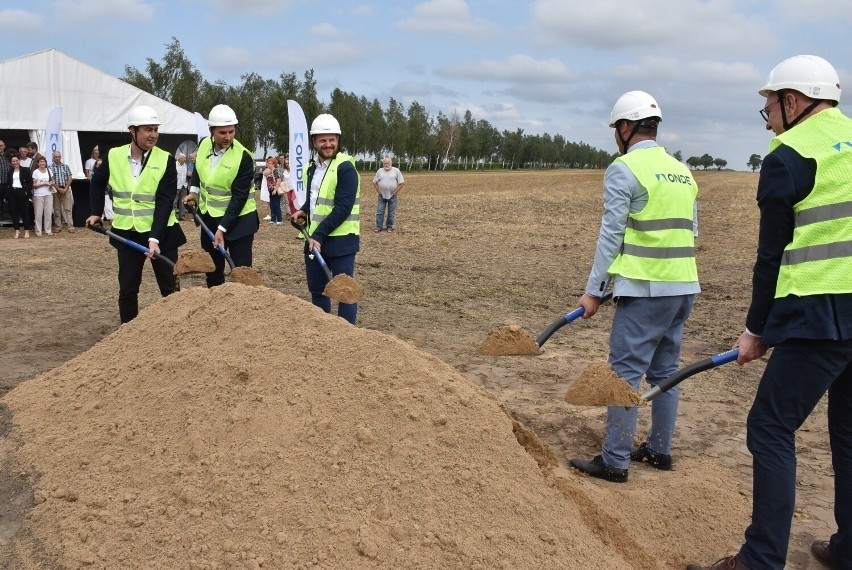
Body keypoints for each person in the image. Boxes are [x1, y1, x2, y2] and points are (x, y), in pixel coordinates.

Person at [688, 55, 852, 570]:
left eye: (769, 105)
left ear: (794, 100)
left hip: (819, 316)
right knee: (847, 432)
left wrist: (756, 330)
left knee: (769, 427)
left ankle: (759, 562)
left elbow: (771, 258)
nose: (768, 117)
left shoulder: (789, 157)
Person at [567, 91, 700, 484]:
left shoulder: (624, 169)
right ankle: (659, 450)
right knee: (665, 372)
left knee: (624, 375)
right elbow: (691, 232)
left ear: (625, 128)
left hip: (646, 290)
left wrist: (593, 291)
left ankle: (615, 460)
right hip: (683, 287)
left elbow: (611, 236)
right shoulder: (683, 171)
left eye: (616, 129)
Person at [85, 105, 186, 324]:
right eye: (148, 129)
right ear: (133, 131)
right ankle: (127, 334)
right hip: (128, 235)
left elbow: (164, 201)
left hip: (162, 234)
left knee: (170, 288)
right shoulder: (114, 155)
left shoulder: (165, 159)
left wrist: (154, 238)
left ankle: (177, 332)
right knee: (128, 289)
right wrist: (95, 212)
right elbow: (97, 182)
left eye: (156, 129)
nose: (153, 134)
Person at [291, 113, 361, 324]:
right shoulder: (313, 168)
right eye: (323, 140)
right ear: (314, 142)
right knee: (318, 290)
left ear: (338, 140)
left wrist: (319, 235)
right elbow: (316, 200)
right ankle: (322, 332)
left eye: (332, 139)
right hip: (316, 239)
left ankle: (346, 337)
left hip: (340, 241)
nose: (328, 144)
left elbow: (342, 208)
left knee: (344, 292)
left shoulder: (346, 168)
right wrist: (303, 210)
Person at [184, 104, 259, 288]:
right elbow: (198, 172)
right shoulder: (203, 145)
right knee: (213, 270)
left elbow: (239, 198)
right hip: (209, 218)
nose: (228, 137)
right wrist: (193, 191)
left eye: (231, 132)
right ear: (211, 131)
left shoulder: (243, 157)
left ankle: (242, 311)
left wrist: (222, 229)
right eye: (222, 133)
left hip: (239, 221)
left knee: (241, 273)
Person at [373, 155, 404, 232]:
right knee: (380, 211)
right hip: (381, 195)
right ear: (383, 163)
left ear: (391, 163)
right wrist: (378, 191)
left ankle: (389, 227)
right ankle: (379, 227)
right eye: (385, 163)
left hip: (392, 196)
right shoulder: (379, 171)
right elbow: (374, 182)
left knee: (391, 212)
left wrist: (396, 192)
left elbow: (402, 183)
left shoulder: (396, 171)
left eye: (388, 163)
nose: (386, 165)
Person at [4, 155, 33, 239]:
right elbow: (8, 184)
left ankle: (26, 231)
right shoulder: (10, 171)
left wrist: (26, 192)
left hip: (22, 192)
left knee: (24, 212)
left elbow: (30, 182)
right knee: (14, 212)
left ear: (19, 161)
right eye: (13, 161)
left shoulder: (25, 170)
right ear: (11, 162)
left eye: (16, 161)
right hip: (12, 193)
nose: (15, 162)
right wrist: (6, 195)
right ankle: (17, 231)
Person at [49, 151, 75, 233]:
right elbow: (51, 179)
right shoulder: (50, 167)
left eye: (59, 156)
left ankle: (70, 226)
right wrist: (58, 188)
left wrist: (66, 188)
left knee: (68, 208)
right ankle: (58, 226)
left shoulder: (66, 166)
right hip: (55, 190)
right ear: (53, 158)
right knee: (57, 209)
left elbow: (70, 177)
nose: (57, 158)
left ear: (61, 157)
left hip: (66, 189)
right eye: (56, 157)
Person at [31, 156, 54, 236]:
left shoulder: (49, 170)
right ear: (37, 163)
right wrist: (44, 183)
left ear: (46, 162)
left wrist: (51, 183)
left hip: (48, 194)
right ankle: (38, 231)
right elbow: (34, 185)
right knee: (38, 213)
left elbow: (53, 180)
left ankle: (48, 230)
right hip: (38, 195)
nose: (42, 163)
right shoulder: (36, 172)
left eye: (43, 161)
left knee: (48, 213)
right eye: (40, 162)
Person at [259, 156, 283, 225]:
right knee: (272, 205)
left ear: (273, 164)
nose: (268, 164)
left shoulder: (275, 170)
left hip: (275, 190)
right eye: (268, 163)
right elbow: (264, 173)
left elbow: (279, 180)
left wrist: (275, 189)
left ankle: (279, 219)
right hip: (270, 190)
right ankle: (273, 219)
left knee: (276, 205)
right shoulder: (270, 171)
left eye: (270, 163)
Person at [174, 153, 188, 220]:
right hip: (176, 186)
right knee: (174, 201)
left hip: (184, 186)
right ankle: (173, 216)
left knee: (183, 201)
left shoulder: (185, 165)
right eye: (184, 158)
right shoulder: (174, 165)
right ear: (179, 159)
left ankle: (182, 216)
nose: (185, 159)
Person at [0, 140, 11, 222]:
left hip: (7, 182)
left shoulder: (8, 156)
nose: (0, 147)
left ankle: (6, 216)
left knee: (7, 199)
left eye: (1, 145)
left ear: (4, 146)